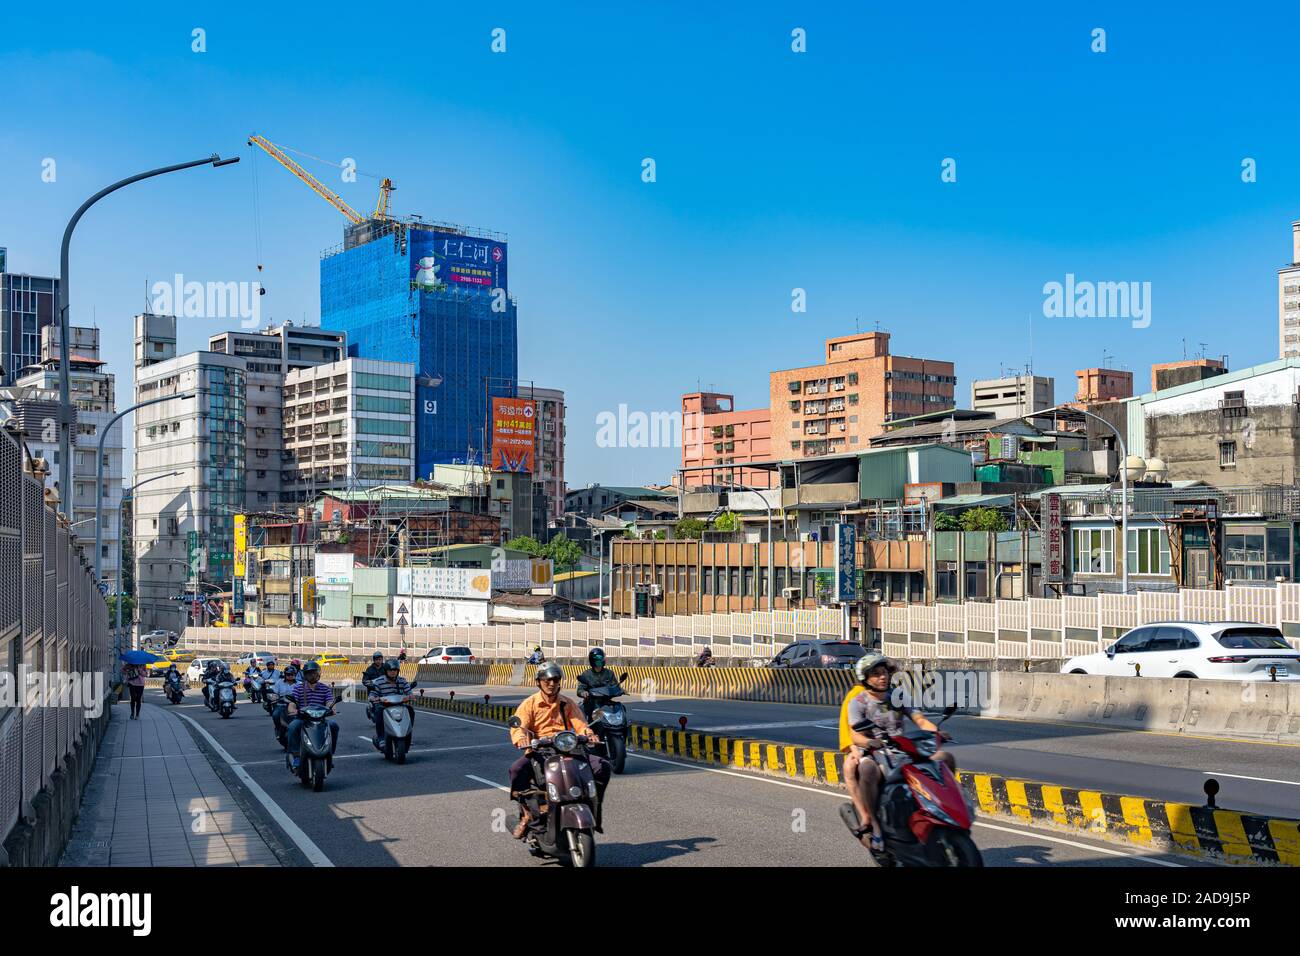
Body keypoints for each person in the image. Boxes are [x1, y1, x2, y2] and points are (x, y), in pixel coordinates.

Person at [840, 654, 955, 853]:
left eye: (884, 673)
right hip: (875, 751)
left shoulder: (898, 696)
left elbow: (919, 719)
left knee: (944, 758)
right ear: (866, 678)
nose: (882, 677)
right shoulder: (858, 702)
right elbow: (855, 734)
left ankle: (944, 809)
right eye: (876, 674)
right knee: (867, 769)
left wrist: (936, 733)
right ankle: (875, 826)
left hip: (901, 749)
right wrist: (869, 742)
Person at [507, 662, 610, 839]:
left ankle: (594, 807)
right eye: (546, 680)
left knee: (602, 766)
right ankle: (527, 814)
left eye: (555, 679)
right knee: (516, 770)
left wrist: (589, 734)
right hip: (540, 750)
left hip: (568, 748)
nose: (551, 683)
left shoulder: (567, 703)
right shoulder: (529, 704)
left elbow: (581, 724)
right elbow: (519, 726)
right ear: (538, 682)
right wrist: (521, 738)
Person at [284, 661, 339, 771]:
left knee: (334, 726)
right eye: (309, 673)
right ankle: (296, 755)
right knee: (292, 727)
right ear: (305, 675)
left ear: (319, 674)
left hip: (320, 720)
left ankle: (329, 753)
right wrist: (293, 710)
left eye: (314, 673)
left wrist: (332, 709)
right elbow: (292, 704)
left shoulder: (325, 688)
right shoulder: (298, 688)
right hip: (303, 719)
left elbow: (329, 702)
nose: (312, 675)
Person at [367, 659, 413, 747]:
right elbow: (373, 693)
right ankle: (381, 738)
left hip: (399, 704)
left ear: (398, 671)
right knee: (379, 712)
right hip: (384, 705)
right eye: (390, 670)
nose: (393, 672)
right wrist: (373, 698)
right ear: (386, 671)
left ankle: (407, 734)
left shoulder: (402, 680)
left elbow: (408, 691)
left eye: (395, 670)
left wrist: (410, 696)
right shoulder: (379, 681)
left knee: (410, 710)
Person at [576, 648, 621, 723]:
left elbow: (615, 685)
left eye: (601, 658)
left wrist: (620, 690)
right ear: (592, 660)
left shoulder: (609, 673)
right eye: (598, 658)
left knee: (620, 708)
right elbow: (580, 689)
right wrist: (583, 693)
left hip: (606, 702)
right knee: (588, 717)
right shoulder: (586, 674)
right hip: (592, 703)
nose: (600, 660)